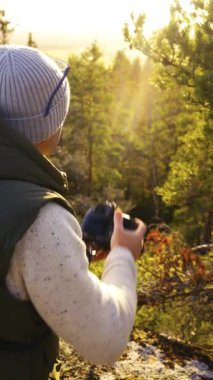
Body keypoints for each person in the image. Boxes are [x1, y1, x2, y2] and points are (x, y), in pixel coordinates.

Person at [0, 45, 146, 380]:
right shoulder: (39, 221)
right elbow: (104, 340)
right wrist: (123, 255)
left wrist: (68, 260)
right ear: (50, 125)